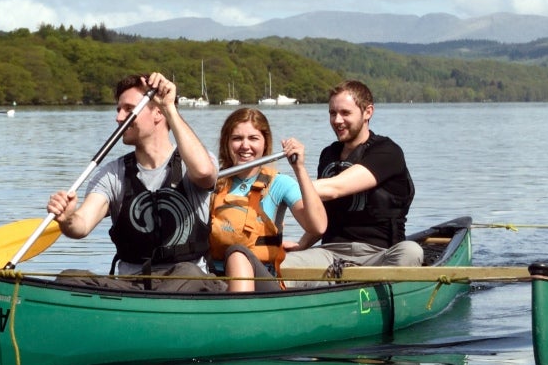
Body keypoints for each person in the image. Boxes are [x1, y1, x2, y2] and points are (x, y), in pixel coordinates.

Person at [44, 73, 219, 282]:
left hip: (188, 286)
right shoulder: (112, 173)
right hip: (131, 286)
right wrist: (67, 219)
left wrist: (169, 107)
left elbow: (204, 172)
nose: (118, 118)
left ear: (157, 113)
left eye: (128, 109)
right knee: (69, 279)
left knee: (186, 273)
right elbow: (81, 225)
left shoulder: (195, 161)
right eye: (118, 109)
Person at [281, 81, 423, 275]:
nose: (337, 120)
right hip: (330, 254)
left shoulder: (388, 152)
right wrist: (302, 244)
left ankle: (383, 289)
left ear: (368, 112)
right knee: (281, 265)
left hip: (380, 255)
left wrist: (280, 184)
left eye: (345, 113)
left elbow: (335, 188)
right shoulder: (328, 155)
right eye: (332, 113)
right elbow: (321, 213)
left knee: (412, 251)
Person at [206, 108, 328, 293]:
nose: (245, 146)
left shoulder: (280, 183)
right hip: (214, 277)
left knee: (238, 254)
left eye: (253, 138)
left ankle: (238, 314)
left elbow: (318, 227)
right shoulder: (212, 183)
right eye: (237, 138)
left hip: (262, 282)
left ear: (265, 143)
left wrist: (299, 168)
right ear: (226, 143)